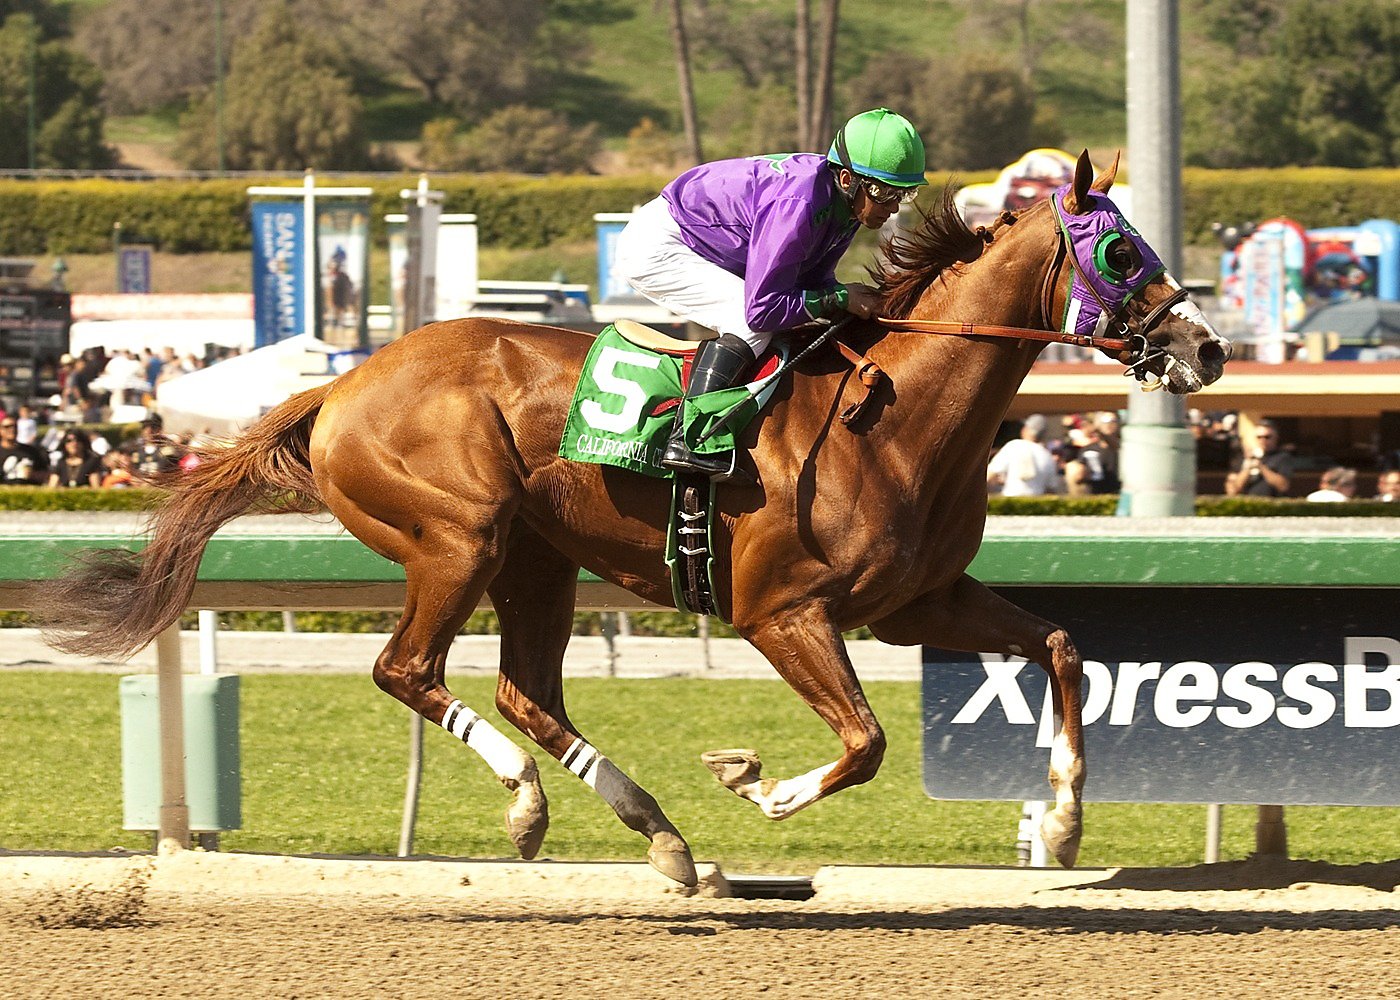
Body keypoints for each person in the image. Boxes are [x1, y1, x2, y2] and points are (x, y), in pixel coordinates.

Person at [615, 107, 928, 482]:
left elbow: (812, 283)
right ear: (847, 179)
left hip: (701, 242)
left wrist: (840, 299)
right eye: (883, 192)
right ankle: (689, 440)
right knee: (748, 325)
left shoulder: (845, 205)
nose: (892, 206)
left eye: (903, 193)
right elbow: (762, 310)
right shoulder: (800, 204)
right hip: (661, 245)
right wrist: (841, 298)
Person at [987, 414, 1059, 497]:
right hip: (1036, 501)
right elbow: (1051, 489)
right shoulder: (1047, 456)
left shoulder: (1014, 446)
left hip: (1010, 499)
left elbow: (989, 475)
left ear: (1026, 429)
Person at [1225, 420, 1293, 497]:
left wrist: (1261, 467)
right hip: (1250, 502)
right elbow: (1234, 489)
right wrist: (1249, 467)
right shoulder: (1246, 458)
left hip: (1272, 502)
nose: (1263, 440)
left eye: (1267, 437)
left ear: (1276, 437)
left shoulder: (1282, 457)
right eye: (1259, 437)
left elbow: (1283, 486)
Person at [1066, 410, 1121, 495]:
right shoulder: (1088, 449)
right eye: (1105, 421)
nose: (1109, 425)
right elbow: (1079, 475)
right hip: (1095, 495)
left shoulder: (1125, 450)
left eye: (1113, 421)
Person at [0, 415, 49, 485]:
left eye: (15, 426)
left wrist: (32, 475)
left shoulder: (31, 451)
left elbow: (45, 474)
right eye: (7, 427)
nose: (12, 429)